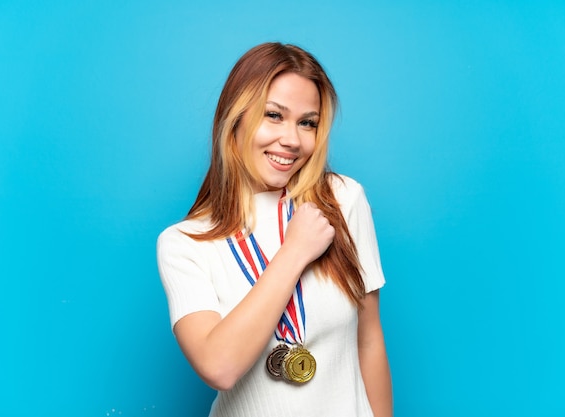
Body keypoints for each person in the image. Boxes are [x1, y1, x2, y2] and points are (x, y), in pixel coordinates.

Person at [157, 42, 392, 417]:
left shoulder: (342, 201)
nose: (293, 140)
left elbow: (369, 340)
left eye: (307, 122)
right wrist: (295, 251)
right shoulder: (185, 243)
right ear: (235, 117)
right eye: (274, 115)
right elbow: (219, 367)